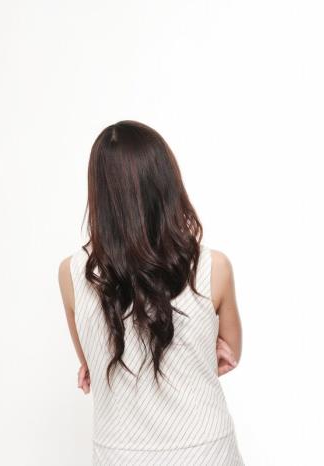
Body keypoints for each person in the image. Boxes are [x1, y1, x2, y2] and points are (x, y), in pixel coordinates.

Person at [58, 120, 244, 465]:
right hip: (206, 451)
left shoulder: (72, 274)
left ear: (99, 193)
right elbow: (229, 353)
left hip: (120, 456)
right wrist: (199, 350)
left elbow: (91, 359)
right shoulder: (212, 267)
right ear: (166, 182)